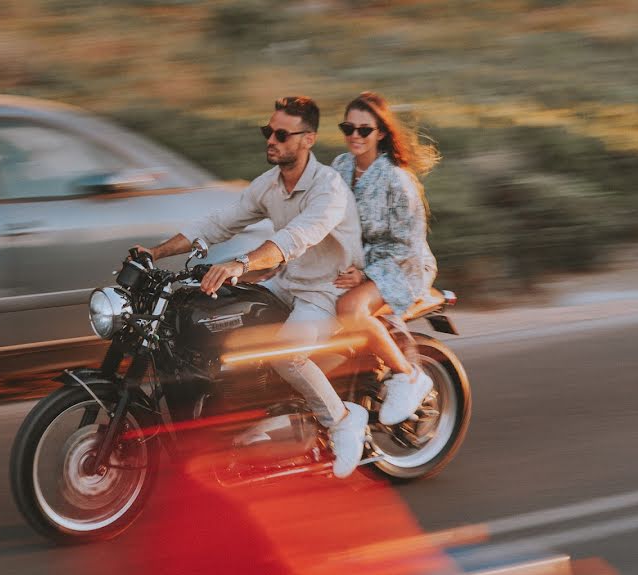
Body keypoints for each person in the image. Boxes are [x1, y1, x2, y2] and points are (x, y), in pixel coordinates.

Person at [133, 96, 369, 478]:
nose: (270, 140)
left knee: (284, 354)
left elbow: (295, 238)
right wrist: (156, 252)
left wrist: (240, 263)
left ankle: (342, 420)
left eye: (280, 134)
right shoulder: (269, 185)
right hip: (287, 282)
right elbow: (219, 222)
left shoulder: (329, 189)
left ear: (308, 139)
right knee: (210, 317)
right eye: (267, 132)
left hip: (325, 291)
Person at [330, 91, 439, 425]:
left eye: (365, 129)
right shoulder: (339, 166)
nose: (355, 135)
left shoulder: (396, 179)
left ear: (380, 132)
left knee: (350, 308)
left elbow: (406, 245)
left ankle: (408, 375)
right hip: (353, 264)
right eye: (349, 127)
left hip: (400, 268)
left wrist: (363, 274)